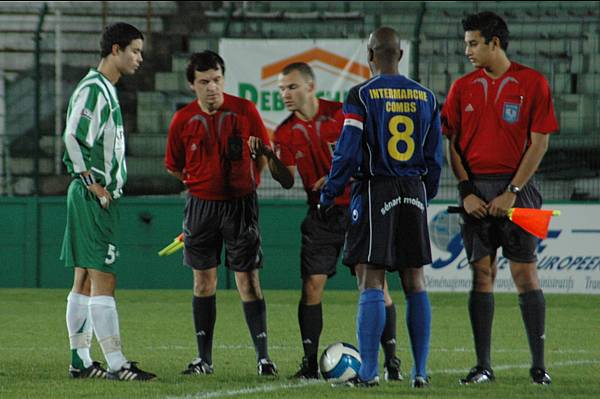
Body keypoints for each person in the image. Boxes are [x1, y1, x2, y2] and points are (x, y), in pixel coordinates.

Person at [249, 62, 403, 381]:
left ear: (310, 86)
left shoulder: (341, 114)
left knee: (375, 285)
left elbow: (369, 151)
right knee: (312, 286)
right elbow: (287, 180)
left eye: (291, 87)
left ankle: (392, 362)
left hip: (358, 208)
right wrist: (270, 157)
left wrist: (336, 176)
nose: (285, 94)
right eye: (280, 89)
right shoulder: (286, 131)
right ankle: (308, 364)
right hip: (320, 215)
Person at [318, 27, 443, 388]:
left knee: (372, 279)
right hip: (414, 191)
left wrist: (330, 193)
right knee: (415, 281)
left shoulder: (361, 94)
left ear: (370, 55)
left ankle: (369, 372)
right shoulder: (427, 97)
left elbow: (348, 149)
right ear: (400, 54)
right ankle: (420, 372)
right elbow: (435, 156)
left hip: (376, 190)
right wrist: (425, 194)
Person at [441, 11, 557, 386]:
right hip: (476, 192)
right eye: (465, 44)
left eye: (473, 43)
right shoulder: (461, 87)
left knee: (525, 272)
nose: (468, 51)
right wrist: (466, 191)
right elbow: (452, 143)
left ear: (495, 43)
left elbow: (540, 142)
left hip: (522, 191)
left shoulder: (533, 82)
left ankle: (539, 368)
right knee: (481, 275)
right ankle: (483, 366)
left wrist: (513, 191)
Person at [164, 51, 278, 377]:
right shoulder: (182, 120)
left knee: (248, 281)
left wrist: (249, 179)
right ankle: (204, 360)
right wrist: (198, 182)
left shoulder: (245, 110)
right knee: (203, 282)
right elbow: (174, 166)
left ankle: (263, 358)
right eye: (204, 82)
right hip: (200, 207)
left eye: (217, 80)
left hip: (241, 205)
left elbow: (263, 157)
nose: (212, 87)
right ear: (192, 85)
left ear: (223, 79)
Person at [61, 22, 156, 381]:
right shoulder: (95, 90)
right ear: (115, 49)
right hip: (93, 197)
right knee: (104, 278)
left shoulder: (104, 89)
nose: (140, 58)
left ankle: (81, 361)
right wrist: (94, 185)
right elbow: (72, 137)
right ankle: (118, 364)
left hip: (90, 196)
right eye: (135, 50)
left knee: (84, 279)